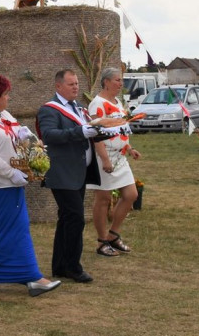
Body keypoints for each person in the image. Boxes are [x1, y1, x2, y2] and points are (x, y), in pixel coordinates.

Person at [0, 75, 61, 296]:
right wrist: (10, 172)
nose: (9, 98)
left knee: (18, 230)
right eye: (5, 94)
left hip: (9, 185)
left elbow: (19, 134)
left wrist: (31, 141)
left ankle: (31, 276)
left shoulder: (4, 114)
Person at [38, 69, 105, 284]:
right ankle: (73, 267)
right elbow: (48, 135)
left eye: (77, 83)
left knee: (67, 218)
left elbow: (88, 130)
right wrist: (80, 132)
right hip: (62, 172)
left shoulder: (78, 108)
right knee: (75, 217)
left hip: (79, 171)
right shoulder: (49, 110)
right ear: (58, 86)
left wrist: (102, 129)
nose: (76, 87)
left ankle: (60, 266)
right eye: (71, 84)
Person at [86, 67, 141, 257]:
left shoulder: (118, 102)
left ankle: (113, 234)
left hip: (120, 156)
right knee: (103, 199)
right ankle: (102, 241)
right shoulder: (97, 104)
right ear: (106, 82)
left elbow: (121, 128)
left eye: (121, 80)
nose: (120, 84)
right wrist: (105, 159)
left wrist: (129, 148)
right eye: (117, 80)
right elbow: (97, 134)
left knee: (131, 194)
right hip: (105, 156)